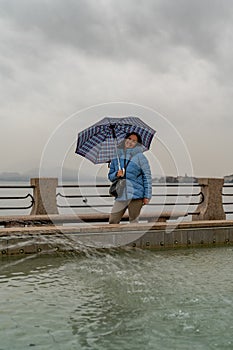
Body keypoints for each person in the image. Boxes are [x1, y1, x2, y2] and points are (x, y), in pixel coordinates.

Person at [108, 132, 152, 224]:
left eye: (134, 141)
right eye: (129, 139)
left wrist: (147, 196)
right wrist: (116, 174)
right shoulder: (116, 157)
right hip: (121, 194)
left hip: (136, 195)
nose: (130, 142)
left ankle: (135, 239)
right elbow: (110, 176)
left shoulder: (140, 157)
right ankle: (114, 238)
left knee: (134, 222)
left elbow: (147, 177)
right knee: (113, 220)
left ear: (137, 143)